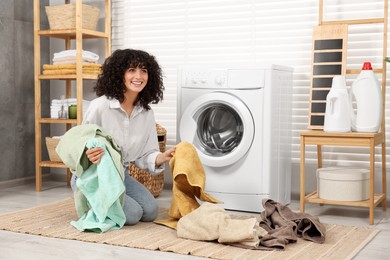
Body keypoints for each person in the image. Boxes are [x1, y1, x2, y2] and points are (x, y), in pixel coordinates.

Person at [70, 49, 175, 225]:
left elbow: (146, 154)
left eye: (143, 71)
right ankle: (90, 198)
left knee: (150, 211)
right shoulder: (100, 106)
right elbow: (79, 143)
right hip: (93, 175)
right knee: (133, 215)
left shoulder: (146, 113)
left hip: (121, 175)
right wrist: (88, 154)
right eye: (131, 70)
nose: (138, 76)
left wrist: (162, 157)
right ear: (120, 74)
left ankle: (107, 201)